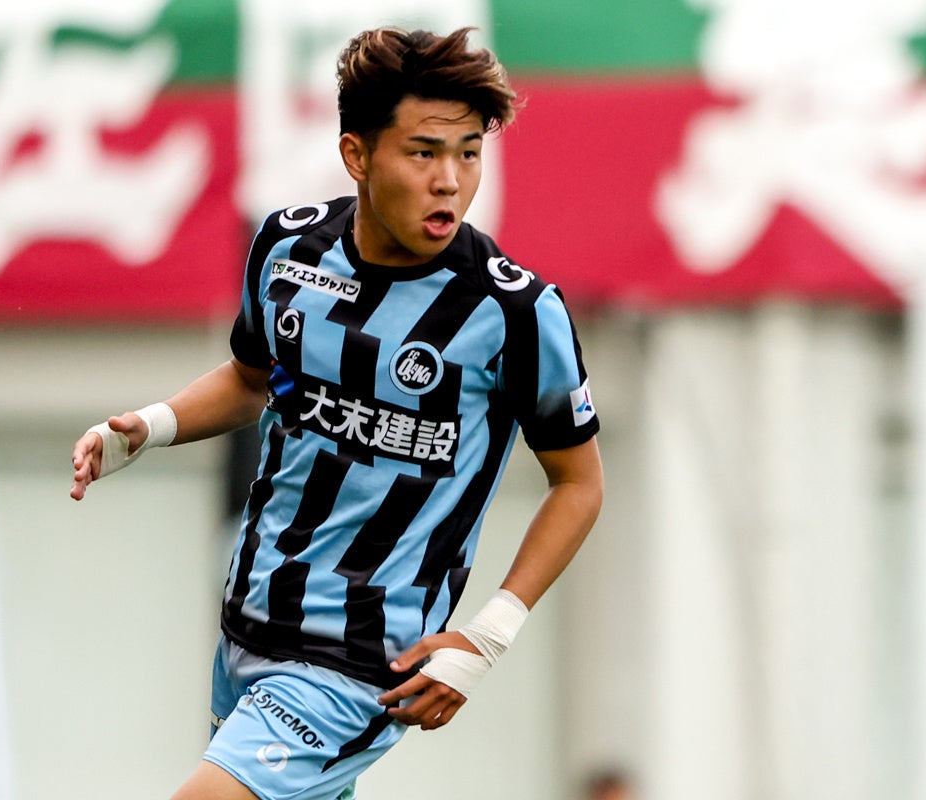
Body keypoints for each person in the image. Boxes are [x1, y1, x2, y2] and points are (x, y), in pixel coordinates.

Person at [70, 26, 603, 800]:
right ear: (357, 155)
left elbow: (579, 483)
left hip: (359, 662)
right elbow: (252, 379)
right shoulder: (287, 249)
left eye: (468, 153)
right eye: (423, 152)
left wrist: (486, 638)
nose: (449, 180)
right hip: (246, 624)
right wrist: (152, 427)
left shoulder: (514, 312)